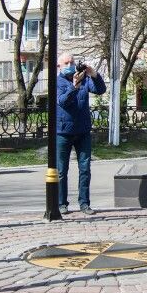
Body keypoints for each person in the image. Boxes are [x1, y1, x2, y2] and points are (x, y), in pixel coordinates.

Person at [56, 52, 106, 215]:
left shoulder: (84, 79)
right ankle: (61, 203)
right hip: (63, 132)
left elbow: (100, 90)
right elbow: (62, 101)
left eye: (72, 62)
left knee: (85, 168)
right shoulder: (57, 82)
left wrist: (94, 75)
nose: (70, 65)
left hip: (83, 130)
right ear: (59, 67)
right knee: (62, 170)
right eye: (66, 63)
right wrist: (73, 86)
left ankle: (84, 203)